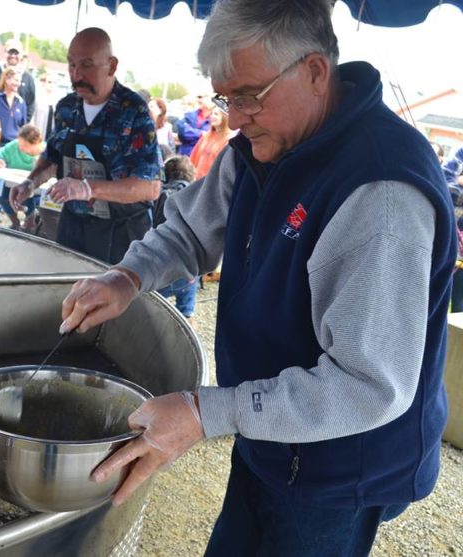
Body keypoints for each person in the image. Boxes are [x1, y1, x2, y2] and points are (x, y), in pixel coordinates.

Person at [59, 2, 457, 556]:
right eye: (226, 98)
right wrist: (128, 277)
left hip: (338, 466)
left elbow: (371, 385)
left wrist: (207, 412)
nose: (234, 118)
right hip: (267, 429)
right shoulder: (261, 143)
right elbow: (191, 233)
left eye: (247, 96)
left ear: (315, 72)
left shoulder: (381, 192)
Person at [10, 27, 161, 264]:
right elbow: (52, 158)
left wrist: (88, 189)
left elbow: (149, 188)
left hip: (120, 233)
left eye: (87, 65)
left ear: (111, 66)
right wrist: (31, 182)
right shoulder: (66, 108)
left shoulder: (134, 112)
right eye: (71, 65)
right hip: (73, 227)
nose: (77, 74)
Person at [153, 156, 198, 323]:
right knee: (186, 315)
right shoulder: (198, 195)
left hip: (162, 272)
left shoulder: (159, 196)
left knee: (153, 307)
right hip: (190, 274)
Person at [0, 123, 45, 231]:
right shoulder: (14, 146)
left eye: (26, 146)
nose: (21, 148)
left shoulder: (44, 151)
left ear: (36, 144)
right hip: (12, 183)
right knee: (3, 195)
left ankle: (30, 222)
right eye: (20, 144)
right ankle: (15, 222)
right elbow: (0, 154)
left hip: (35, 186)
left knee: (27, 195)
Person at [442, 145, 463, 312]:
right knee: (438, 298)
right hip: (450, 242)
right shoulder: (460, 154)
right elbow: (444, 186)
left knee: (460, 306)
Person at [189, 106, 231, 180]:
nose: (212, 116)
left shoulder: (228, 140)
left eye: (216, 114)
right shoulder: (206, 137)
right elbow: (193, 157)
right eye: (211, 114)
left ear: (225, 117)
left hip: (211, 182)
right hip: (196, 180)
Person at [176, 91, 212, 155]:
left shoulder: (216, 119)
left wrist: (191, 135)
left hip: (202, 157)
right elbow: (182, 133)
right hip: (185, 157)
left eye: (200, 97)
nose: (198, 100)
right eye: (197, 97)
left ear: (210, 98)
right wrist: (201, 134)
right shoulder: (189, 115)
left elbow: (211, 138)